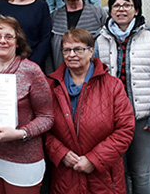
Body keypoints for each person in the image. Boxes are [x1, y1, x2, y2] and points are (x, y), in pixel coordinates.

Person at [95, 0, 150, 194]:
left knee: (141, 174)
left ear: (136, 10)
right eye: (116, 5)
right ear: (109, 10)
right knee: (118, 173)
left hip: (143, 119)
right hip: (111, 119)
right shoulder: (98, 39)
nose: (121, 9)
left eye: (127, 5)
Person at [0, 15, 53, 194]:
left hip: (23, 161)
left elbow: (47, 117)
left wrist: (21, 133)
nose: (2, 41)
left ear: (18, 42)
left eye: (9, 36)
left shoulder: (31, 71)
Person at [45, 28, 135, 193]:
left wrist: (94, 159)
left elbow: (125, 129)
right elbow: (44, 128)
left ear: (91, 50)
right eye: (67, 50)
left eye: (78, 49)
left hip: (105, 177)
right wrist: (61, 153)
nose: (71, 54)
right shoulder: (51, 86)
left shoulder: (112, 85)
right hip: (66, 176)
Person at [48, 0, 106, 73]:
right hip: (61, 76)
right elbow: (49, 53)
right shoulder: (54, 17)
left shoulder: (98, 14)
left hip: (92, 76)